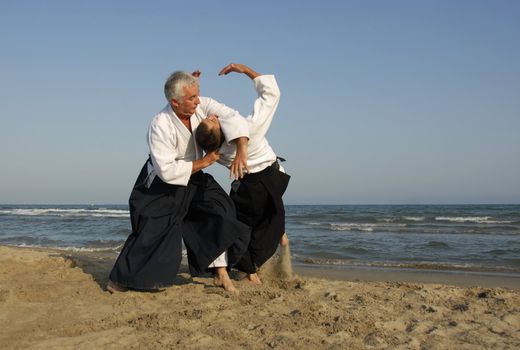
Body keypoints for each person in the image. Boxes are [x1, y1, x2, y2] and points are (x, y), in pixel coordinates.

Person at [108, 69, 252, 294]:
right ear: (174, 102)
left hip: (194, 177)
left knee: (221, 210)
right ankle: (120, 280)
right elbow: (166, 169)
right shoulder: (160, 124)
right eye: (191, 98)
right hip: (163, 182)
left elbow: (233, 116)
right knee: (154, 229)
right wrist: (204, 162)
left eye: (198, 95)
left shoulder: (201, 106)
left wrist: (241, 149)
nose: (197, 101)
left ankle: (219, 271)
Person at [195, 63, 290, 284]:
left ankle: (251, 266)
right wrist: (246, 70)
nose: (215, 116)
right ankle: (253, 268)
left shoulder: (214, 151)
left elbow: (200, 114)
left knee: (243, 224)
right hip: (271, 179)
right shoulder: (250, 129)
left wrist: (196, 89)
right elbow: (271, 94)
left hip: (246, 185)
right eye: (212, 120)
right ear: (219, 130)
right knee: (266, 223)